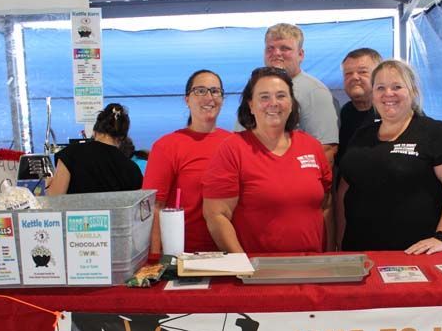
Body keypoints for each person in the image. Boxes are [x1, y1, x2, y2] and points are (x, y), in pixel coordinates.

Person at [337, 60, 442, 254]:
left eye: (397, 87)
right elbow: (345, 190)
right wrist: (338, 241)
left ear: (413, 91)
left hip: (416, 254)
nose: (388, 94)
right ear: (373, 94)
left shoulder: (436, 133)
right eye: (380, 88)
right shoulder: (362, 135)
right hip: (361, 251)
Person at [203, 67, 333, 253]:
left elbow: (326, 205)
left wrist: (329, 257)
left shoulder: (311, 146)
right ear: (251, 105)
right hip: (258, 272)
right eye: (264, 97)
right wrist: (243, 266)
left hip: (311, 268)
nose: (274, 103)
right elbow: (216, 215)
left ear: (291, 103)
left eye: (281, 96)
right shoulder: (233, 149)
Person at [142, 70, 230, 254]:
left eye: (215, 91)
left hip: (229, 251)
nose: (209, 97)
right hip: (184, 256)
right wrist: (155, 259)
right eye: (200, 91)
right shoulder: (167, 146)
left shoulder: (234, 143)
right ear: (187, 99)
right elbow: (154, 208)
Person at [261, 23, 340, 165]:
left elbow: (327, 149)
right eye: (270, 48)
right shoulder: (255, 89)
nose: (276, 53)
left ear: (301, 54)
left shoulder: (315, 92)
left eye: (285, 48)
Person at [47, 103, 143, 195]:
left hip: (76, 211)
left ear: (94, 131)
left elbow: (54, 199)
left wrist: (48, 185)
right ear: (122, 137)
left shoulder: (70, 154)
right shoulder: (132, 169)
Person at [335, 47, 382, 166]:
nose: (355, 77)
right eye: (348, 73)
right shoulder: (344, 113)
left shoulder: (393, 111)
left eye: (363, 72)